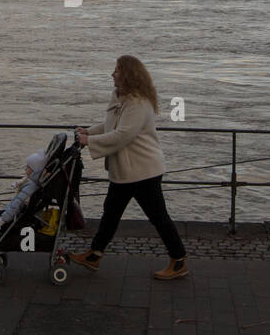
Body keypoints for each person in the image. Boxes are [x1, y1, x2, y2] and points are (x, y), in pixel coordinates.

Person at [69, 55, 188, 280]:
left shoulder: (138, 103)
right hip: (125, 171)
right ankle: (94, 254)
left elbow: (123, 135)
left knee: (158, 217)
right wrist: (89, 131)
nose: (112, 74)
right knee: (110, 213)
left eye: (116, 70)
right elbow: (110, 125)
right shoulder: (120, 98)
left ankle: (178, 260)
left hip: (143, 171)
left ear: (128, 75)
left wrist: (89, 142)